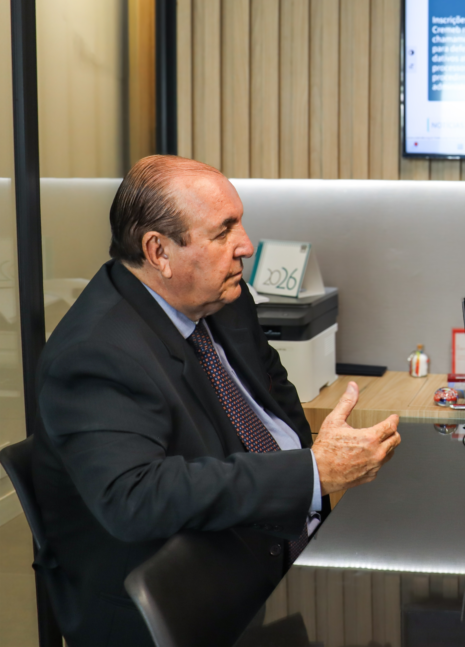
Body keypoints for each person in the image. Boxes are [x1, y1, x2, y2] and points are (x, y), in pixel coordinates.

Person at [32, 155, 402, 646]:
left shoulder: (223, 297)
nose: (246, 245)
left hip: (274, 538)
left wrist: (311, 479)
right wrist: (310, 475)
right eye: (224, 231)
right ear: (159, 251)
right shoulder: (95, 354)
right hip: (185, 602)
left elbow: (274, 396)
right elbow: (135, 498)